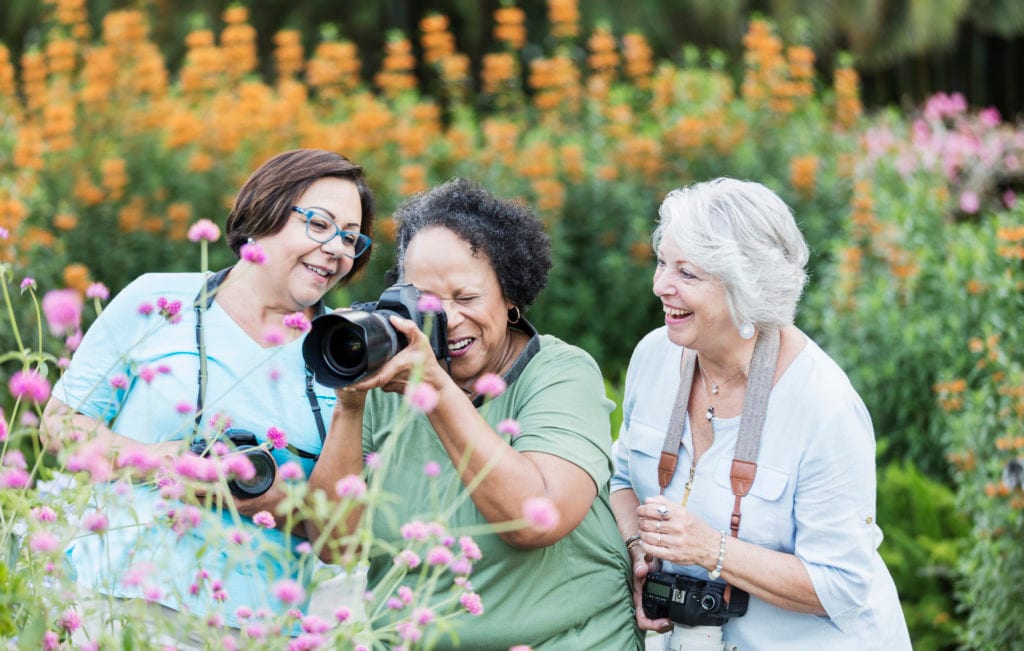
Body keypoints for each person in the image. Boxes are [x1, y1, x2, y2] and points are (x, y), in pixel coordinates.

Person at [40, 148, 375, 637]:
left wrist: (278, 503)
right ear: (264, 212)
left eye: (350, 238)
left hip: (258, 629)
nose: (337, 249)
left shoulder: (345, 353)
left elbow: (341, 541)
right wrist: (162, 462)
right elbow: (60, 423)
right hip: (118, 606)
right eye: (320, 224)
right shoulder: (158, 299)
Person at [308, 178, 643, 650]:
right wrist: (350, 402)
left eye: (465, 298)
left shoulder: (560, 373)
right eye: (425, 301)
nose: (447, 319)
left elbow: (536, 519)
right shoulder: (391, 379)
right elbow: (333, 546)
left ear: (510, 297)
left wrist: (437, 392)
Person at [610, 178, 912, 649]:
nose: (659, 285)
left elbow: (842, 585)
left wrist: (713, 550)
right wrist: (637, 552)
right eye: (663, 262)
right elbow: (623, 479)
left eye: (687, 273)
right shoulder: (654, 356)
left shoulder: (824, 407)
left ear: (746, 289)